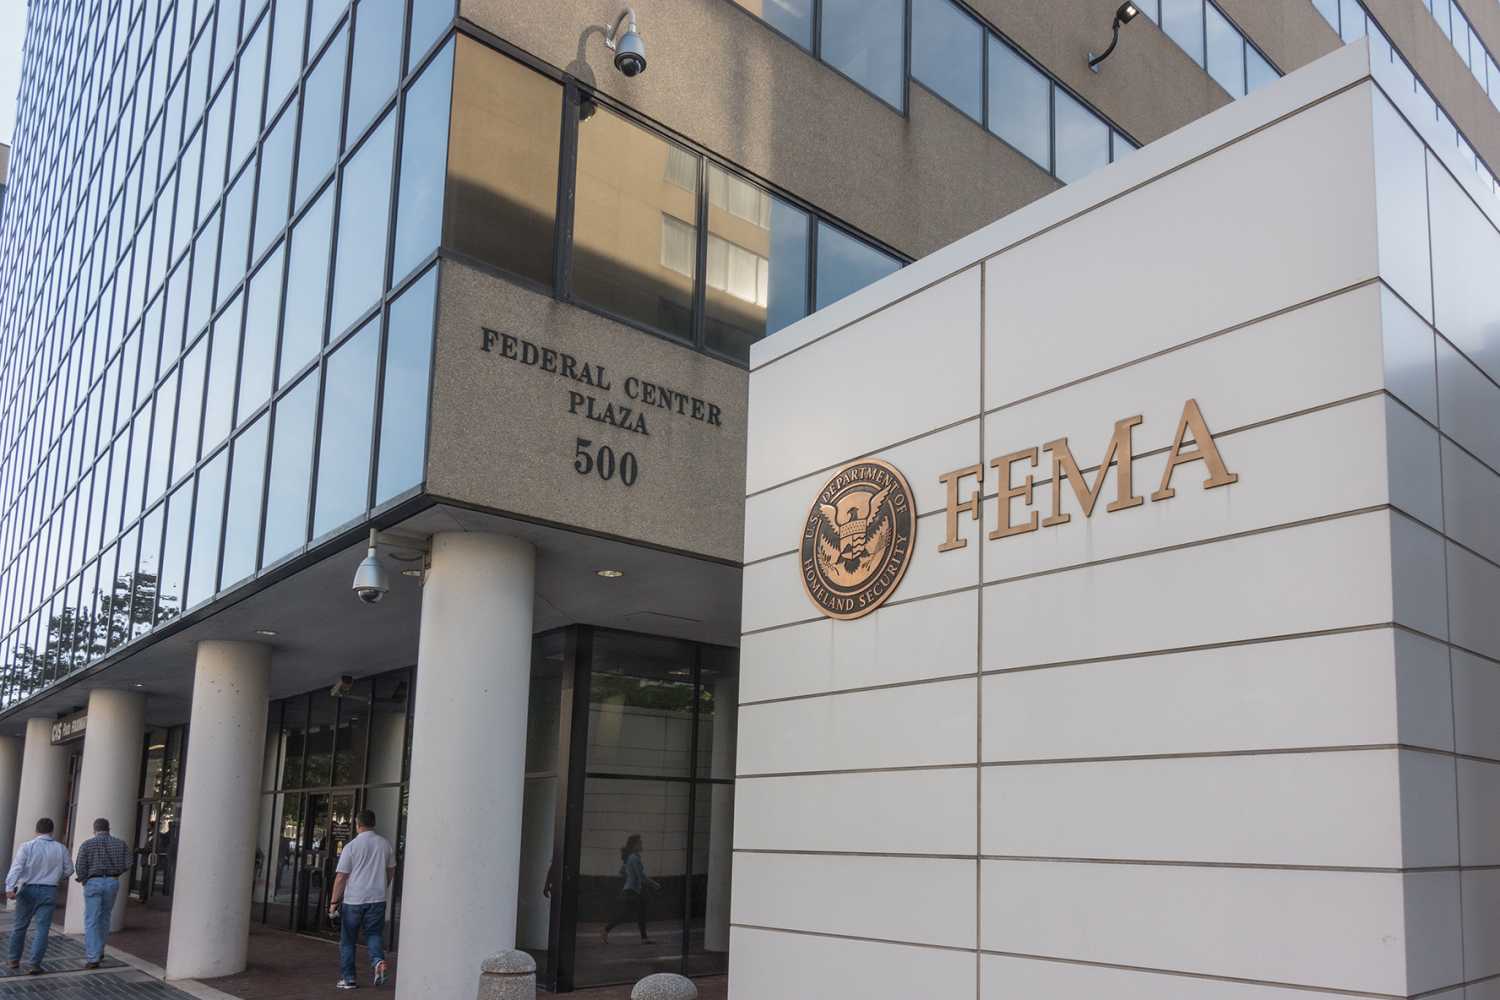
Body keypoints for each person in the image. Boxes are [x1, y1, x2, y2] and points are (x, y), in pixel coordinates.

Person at [327, 809, 395, 990]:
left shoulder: (351, 846)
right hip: (377, 899)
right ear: (374, 824)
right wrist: (383, 884)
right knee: (373, 934)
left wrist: (333, 903)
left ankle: (348, 979)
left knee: (348, 941)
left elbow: (341, 877)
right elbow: (391, 870)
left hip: (354, 901)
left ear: (357, 825)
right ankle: (378, 961)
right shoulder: (385, 844)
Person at [4, 817, 73, 974]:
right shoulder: (61, 848)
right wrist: (57, 877)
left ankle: (14, 959)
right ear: (52, 831)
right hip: (49, 890)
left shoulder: (27, 846)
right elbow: (69, 870)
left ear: (36, 830)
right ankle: (34, 964)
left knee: (20, 926)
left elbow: (17, 868)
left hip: (28, 889)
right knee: (42, 929)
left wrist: (9, 887)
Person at [73, 817, 130, 969]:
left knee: (91, 919)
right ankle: (100, 949)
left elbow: (80, 866)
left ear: (94, 829)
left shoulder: (87, 845)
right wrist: (116, 873)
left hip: (93, 882)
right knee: (105, 917)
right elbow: (128, 863)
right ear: (108, 829)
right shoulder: (120, 843)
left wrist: (85, 880)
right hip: (112, 881)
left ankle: (93, 957)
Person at [600, 834, 660, 945]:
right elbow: (641, 876)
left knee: (635, 913)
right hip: (631, 891)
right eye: (640, 842)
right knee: (628, 914)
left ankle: (643, 938)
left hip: (631, 890)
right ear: (635, 845)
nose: (642, 844)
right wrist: (654, 884)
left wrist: (630, 876)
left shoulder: (630, 858)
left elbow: (622, 872)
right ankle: (606, 930)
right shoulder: (634, 858)